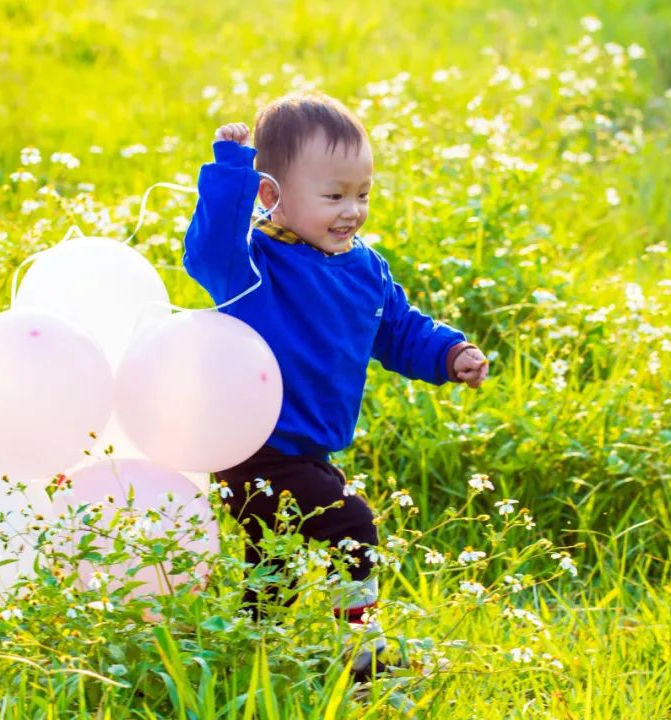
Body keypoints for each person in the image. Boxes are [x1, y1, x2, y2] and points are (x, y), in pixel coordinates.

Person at [183, 91, 488, 682]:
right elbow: (206, 250)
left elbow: (398, 329)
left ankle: (252, 650)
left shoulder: (364, 268)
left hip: (306, 447)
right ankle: (362, 649)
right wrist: (230, 172)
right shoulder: (251, 267)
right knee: (351, 524)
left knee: (273, 563)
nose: (352, 211)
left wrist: (449, 353)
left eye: (362, 194)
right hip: (251, 447)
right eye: (333, 196)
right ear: (270, 196)